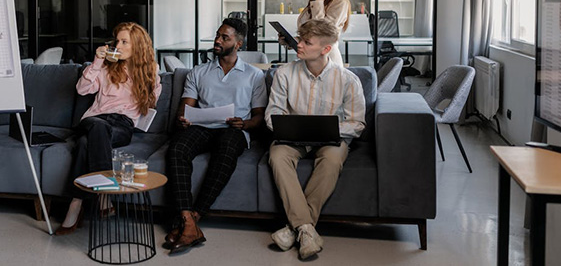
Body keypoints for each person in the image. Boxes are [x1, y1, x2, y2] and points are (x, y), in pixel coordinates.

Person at [165, 18, 268, 254]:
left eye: (225, 37)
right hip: (202, 126)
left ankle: (193, 218)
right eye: (217, 36)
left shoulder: (254, 75)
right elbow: (185, 107)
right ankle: (187, 220)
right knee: (177, 148)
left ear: (239, 43)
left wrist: (245, 124)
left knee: (227, 147)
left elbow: (259, 117)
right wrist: (184, 117)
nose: (218, 41)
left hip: (234, 130)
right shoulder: (198, 72)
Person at [266, 19, 365, 260]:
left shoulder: (348, 80)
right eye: (300, 39)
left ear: (325, 49)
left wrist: (330, 129)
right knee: (277, 156)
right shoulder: (284, 73)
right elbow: (272, 114)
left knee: (332, 160)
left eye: (306, 42)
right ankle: (307, 230)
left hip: (332, 140)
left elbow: (358, 124)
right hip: (293, 139)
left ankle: (295, 229)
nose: (298, 45)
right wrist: (289, 127)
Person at [56, 22, 162, 235]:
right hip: (95, 119)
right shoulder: (105, 66)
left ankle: (76, 204)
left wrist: (146, 78)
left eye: (125, 42)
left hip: (122, 125)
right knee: (97, 126)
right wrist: (97, 61)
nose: (118, 46)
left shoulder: (150, 70)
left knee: (86, 143)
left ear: (137, 46)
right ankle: (104, 196)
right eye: (118, 41)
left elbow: (150, 104)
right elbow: (82, 89)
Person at [282, 0, 351, 67]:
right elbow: (311, 35)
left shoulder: (340, 2)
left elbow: (323, 33)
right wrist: (292, 41)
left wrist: (319, 1)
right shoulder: (315, 1)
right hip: (310, 62)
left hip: (328, 62)